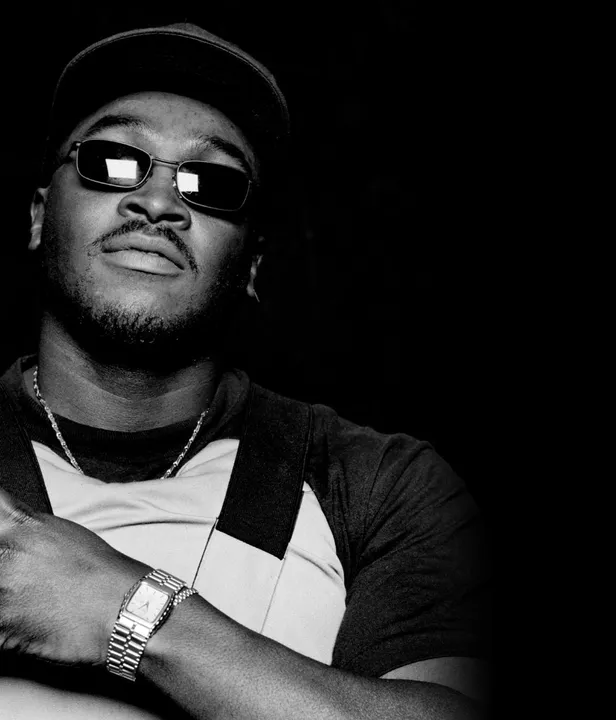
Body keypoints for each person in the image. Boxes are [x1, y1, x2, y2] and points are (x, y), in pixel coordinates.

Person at [0, 21, 491, 720]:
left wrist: (127, 610)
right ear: (38, 217)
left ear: (253, 265)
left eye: (211, 182)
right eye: (112, 160)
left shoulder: (376, 485)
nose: (158, 203)